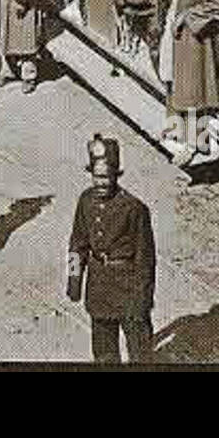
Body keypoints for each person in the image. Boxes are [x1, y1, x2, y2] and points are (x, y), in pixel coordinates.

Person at [67, 135, 156, 364]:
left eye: (106, 177)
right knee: (104, 353)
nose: (101, 183)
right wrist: (74, 282)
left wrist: (142, 299)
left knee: (140, 352)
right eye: (97, 177)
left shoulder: (134, 208)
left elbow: (146, 260)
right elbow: (77, 245)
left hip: (128, 289)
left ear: (116, 176)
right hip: (99, 287)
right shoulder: (85, 201)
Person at [158, 0, 219, 165]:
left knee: (192, 91)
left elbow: (215, 3)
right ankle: (177, 130)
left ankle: (193, 144)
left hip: (191, 39)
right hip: (176, 32)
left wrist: (187, 16)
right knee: (174, 82)